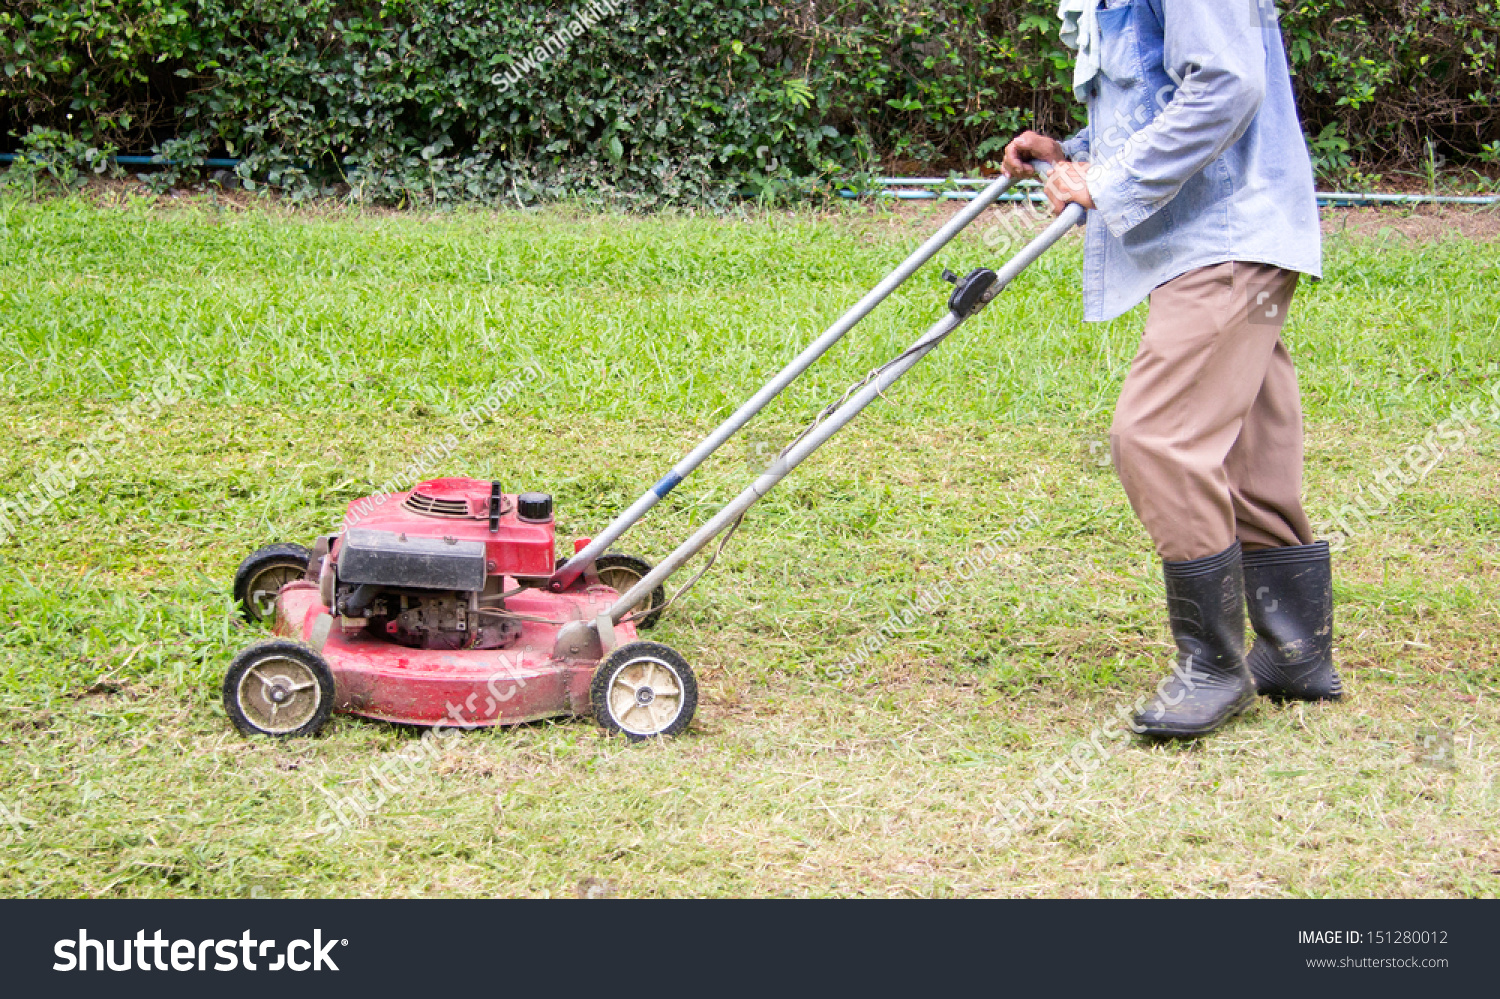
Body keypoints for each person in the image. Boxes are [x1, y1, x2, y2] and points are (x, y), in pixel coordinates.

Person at [1002, 0, 1342, 738]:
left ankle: (1214, 667)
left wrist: (1111, 185)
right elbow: (1162, 95)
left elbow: (1225, 84)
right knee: (1251, 446)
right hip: (1228, 233)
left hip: (1227, 235)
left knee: (1156, 436)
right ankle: (1295, 650)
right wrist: (1075, 152)